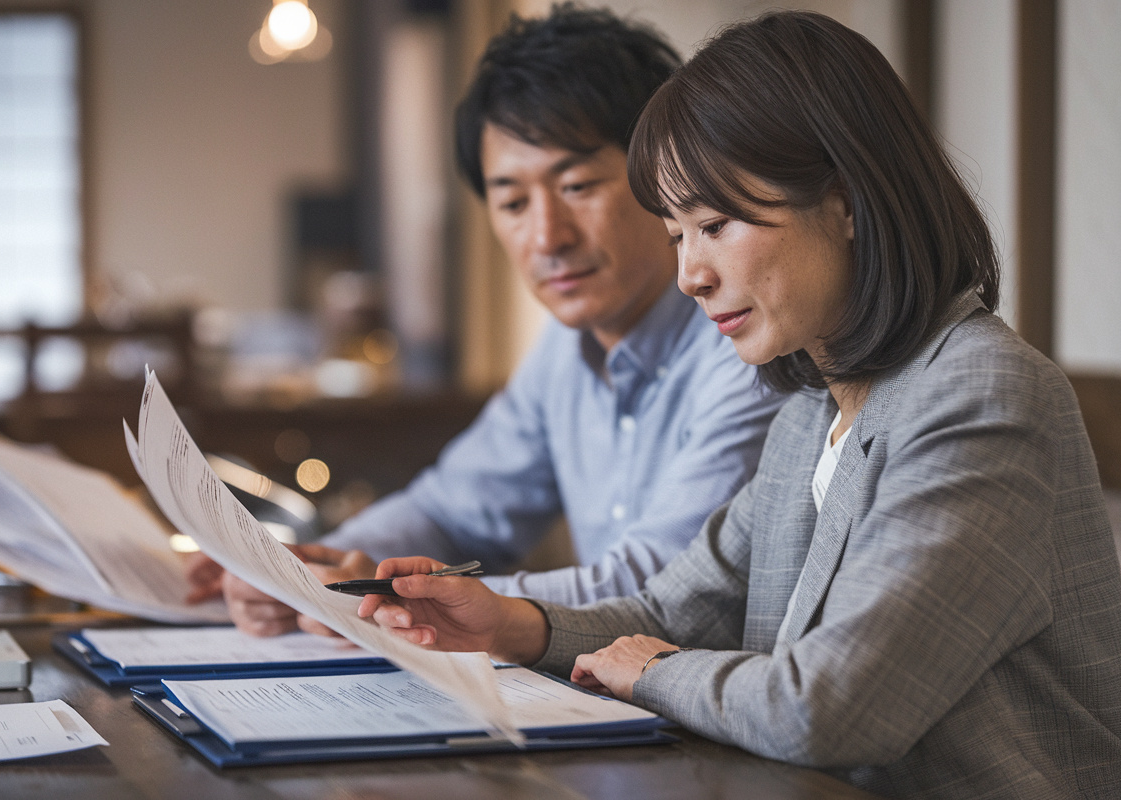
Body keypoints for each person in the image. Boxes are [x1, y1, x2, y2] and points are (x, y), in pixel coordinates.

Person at [358, 11, 1121, 798]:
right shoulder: (811, 412)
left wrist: (654, 670)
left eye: (715, 225)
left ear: (848, 200)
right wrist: (505, 622)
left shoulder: (981, 394)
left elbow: (829, 707)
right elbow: (679, 604)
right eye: (677, 232)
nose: (690, 274)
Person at [186, 5, 783, 636]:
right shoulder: (567, 349)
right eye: (514, 201)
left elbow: (661, 585)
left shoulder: (745, 343)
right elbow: (451, 510)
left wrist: (403, 595)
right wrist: (311, 568)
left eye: (578, 185)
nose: (547, 236)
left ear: (665, 175)